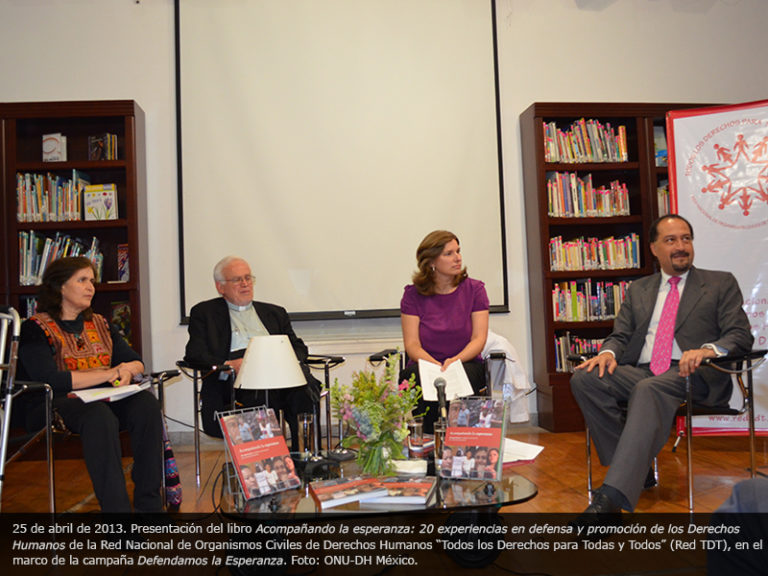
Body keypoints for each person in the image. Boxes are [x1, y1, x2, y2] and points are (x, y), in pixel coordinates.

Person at [570, 215, 753, 520]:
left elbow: (740, 334)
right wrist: (608, 353)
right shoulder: (639, 289)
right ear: (654, 248)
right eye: (671, 240)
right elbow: (620, 335)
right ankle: (635, 468)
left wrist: (708, 350)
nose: (681, 246)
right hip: (644, 370)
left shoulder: (719, 283)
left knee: (649, 387)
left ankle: (612, 499)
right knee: (586, 378)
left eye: (686, 239)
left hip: (694, 373)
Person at [17, 256, 163, 514]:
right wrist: (107, 374)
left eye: (92, 281)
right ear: (60, 286)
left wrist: (126, 371)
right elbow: (50, 379)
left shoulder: (100, 323)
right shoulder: (34, 328)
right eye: (82, 280)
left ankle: (150, 506)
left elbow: (136, 362)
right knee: (99, 416)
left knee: (146, 405)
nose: (90, 287)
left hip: (99, 398)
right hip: (52, 403)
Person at [184, 256, 321, 451]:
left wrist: (287, 361)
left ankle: (305, 455)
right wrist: (229, 365)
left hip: (279, 375)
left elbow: (299, 348)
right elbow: (194, 354)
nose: (245, 284)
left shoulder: (274, 313)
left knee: (304, 391)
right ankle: (270, 459)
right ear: (220, 287)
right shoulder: (205, 313)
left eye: (248, 278)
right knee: (261, 396)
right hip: (237, 381)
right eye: (237, 279)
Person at [400, 230, 489, 433]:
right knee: (418, 378)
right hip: (426, 364)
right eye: (449, 253)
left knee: (462, 377)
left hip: (465, 362)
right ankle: (430, 439)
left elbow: (479, 339)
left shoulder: (475, 290)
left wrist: (454, 361)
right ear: (431, 261)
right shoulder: (412, 295)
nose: (458, 258)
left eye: (458, 251)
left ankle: (460, 440)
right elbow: (412, 345)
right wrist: (435, 365)